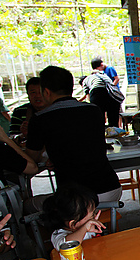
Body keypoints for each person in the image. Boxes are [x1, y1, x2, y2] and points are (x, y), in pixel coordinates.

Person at [25, 66, 121, 202]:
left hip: (76, 199)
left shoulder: (40, 118)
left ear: (46, 92)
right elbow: (84, 144)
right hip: (111, 190)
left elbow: (31, 160)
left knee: (28, 205)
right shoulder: (93, 110)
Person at [43, 185, 105, 251]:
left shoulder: (88, 227)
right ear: (73, 224)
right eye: (92, 215)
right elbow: (68, 246)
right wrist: (85, 228)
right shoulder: (59, 236)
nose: (95, 216)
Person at [81, 59, 121, 127]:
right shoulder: (105, 76)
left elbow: (88, 97)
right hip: (113, 97)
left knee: (99, 119)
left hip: (97, 93)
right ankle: (115, 133)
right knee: (113, 121)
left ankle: (100, 133)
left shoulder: (86, 80)